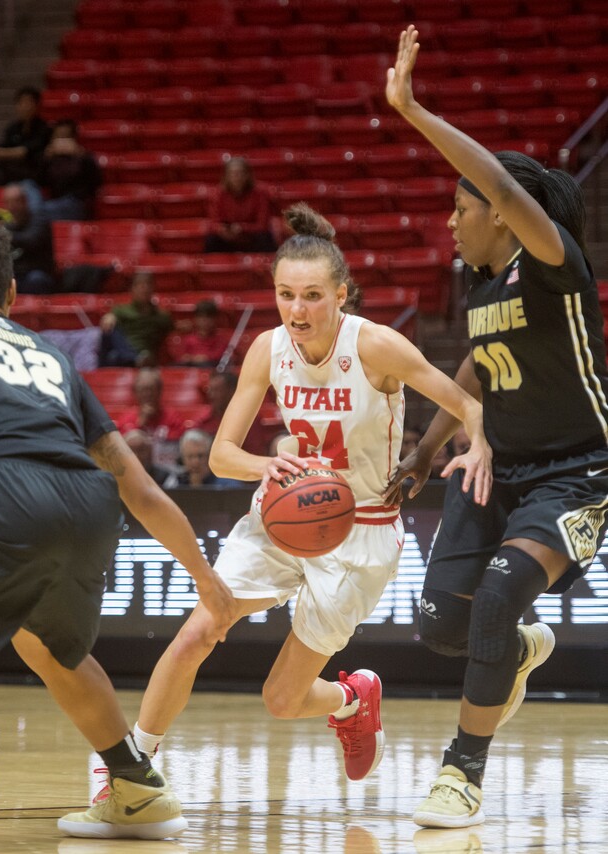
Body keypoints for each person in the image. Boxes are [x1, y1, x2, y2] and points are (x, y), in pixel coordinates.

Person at [132, 202, 493, 789]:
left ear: (341, 294)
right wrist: (265, 463)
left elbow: (468, 403)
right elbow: (223, 454)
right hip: (286, 512)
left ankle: (352, 699)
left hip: (362, 530)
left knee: (280, 699)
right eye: (285, 295)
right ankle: (131, 765)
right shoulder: (267, 349)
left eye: (312, 296)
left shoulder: (376, 346)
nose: (297, 311)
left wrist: (468, 446)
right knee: (202, 625)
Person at [0, 221, 235, 840]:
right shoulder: (52, 357)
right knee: (49, 646)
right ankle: (136, 787)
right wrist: (207, 581)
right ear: (10, 291)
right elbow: (138, 486)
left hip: (1, 491)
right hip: (88, 507)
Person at [384, 26, 608, 829]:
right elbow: (479, 367)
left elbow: (505, 189)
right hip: (499, 468)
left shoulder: (556, 264)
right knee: (443, 623)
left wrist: (412, 110)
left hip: (580, 472)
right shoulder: (482, 290)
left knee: (502, 594)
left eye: (460, 205)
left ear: (504, 217)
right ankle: (517, 649)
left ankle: (461, 774)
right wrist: (423, 451)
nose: (451, 219)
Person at [0, 86, 52, 189]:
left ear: (37, 105)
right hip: (11, 169)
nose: (25, 107)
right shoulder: (13, 127)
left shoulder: (44, 128)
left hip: (33, 170)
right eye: (21, 103)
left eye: (28, 102)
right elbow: (2, 145)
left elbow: (24, 152)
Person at [116, 367, 188, 471]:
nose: (147, 394)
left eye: (150, 389)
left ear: (159, 391)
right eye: (142, 390)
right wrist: (140, 424)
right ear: (135, 392)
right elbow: (121, 451)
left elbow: (179, 447)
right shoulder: (126, 419)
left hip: (168, 473)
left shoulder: (173, 417)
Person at [191, 369, 274, 457]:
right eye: (210, 390)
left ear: (232, 391)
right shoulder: (205, 422)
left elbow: (256, 454)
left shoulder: (249, 420)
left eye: (217, 390)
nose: (211, 395)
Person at [99, 271, 174, 367]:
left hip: (147, 356)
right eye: (140, 285)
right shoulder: (120, 310)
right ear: (132, 289)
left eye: (148, 284)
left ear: (153, 289)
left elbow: (173, 331)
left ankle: (136, 359)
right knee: (110, 334)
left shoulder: (162, 316)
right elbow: (107, 324)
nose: (144, 288)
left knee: (114, 356)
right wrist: (109, 317)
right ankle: (134, 358)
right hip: (123, 353)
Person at [204, 156, 277, 254]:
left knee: (265, 237)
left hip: (251, 236)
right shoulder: (217, 194)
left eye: (241, 173)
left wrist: (242, 228)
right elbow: (213, 223)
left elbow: (262, 225)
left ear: (248, 175)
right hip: (227, 237)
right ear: (226, 176)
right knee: (211, 240)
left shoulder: (260, 193)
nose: (237, 177)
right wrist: (222, 230)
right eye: (233, 174)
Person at [36, 118, 103, 222]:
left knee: (36, 213)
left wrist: (82, 157)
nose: (62, 141)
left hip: (76, 203)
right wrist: (45, 160)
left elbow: (96, 182)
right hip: (55, 201)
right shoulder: (50, 159)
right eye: (58, 137)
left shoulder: (84, 157)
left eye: (66, 137)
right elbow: (39, 182)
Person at [2, 182, 57, 295]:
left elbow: (32, 240)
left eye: (16, 202)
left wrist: (4, 234)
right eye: (9, 202)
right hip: (16, 275)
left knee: (36, 280)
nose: (12, 207)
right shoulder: (8, 226)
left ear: (25, 201)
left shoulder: (39, 222)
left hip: (37, 273)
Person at [163, 429, 242, 489]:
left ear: (209, 456)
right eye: (190, 457)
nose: (195, 462)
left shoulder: (228, 484)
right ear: (182, 459)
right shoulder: (174, 482)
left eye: (200, 456)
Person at [172, 299, 231, 367]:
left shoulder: (221, 340)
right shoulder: (188, 339)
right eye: (201, 316)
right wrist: (190, 358)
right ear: (195, 318)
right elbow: (182, 357)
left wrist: (205, 357)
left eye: (208, 317)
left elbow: (222, 357)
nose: (204, 320)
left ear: (215, 319)